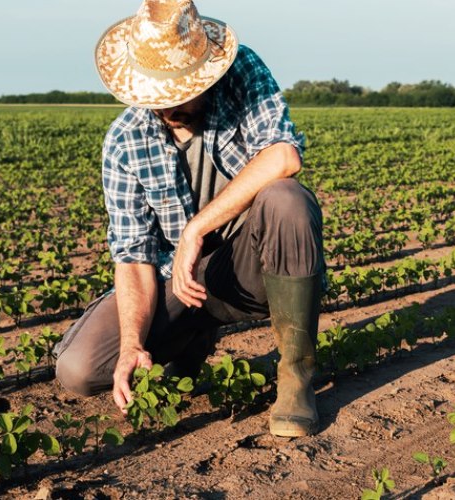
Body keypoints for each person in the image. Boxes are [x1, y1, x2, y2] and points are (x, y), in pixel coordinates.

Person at [52, 0, 325, 438]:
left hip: (246, 271)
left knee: (287, 198)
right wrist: (131, 345)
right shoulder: (124, 143)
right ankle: (188, 339)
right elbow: (134, 257)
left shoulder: (242, 76)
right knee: (80, 368)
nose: (167, 106)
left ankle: (296, 381)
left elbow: (283, 156)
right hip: (174, 285)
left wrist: (196, 228)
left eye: (178, 92)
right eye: (156, 96)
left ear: (205, 73)